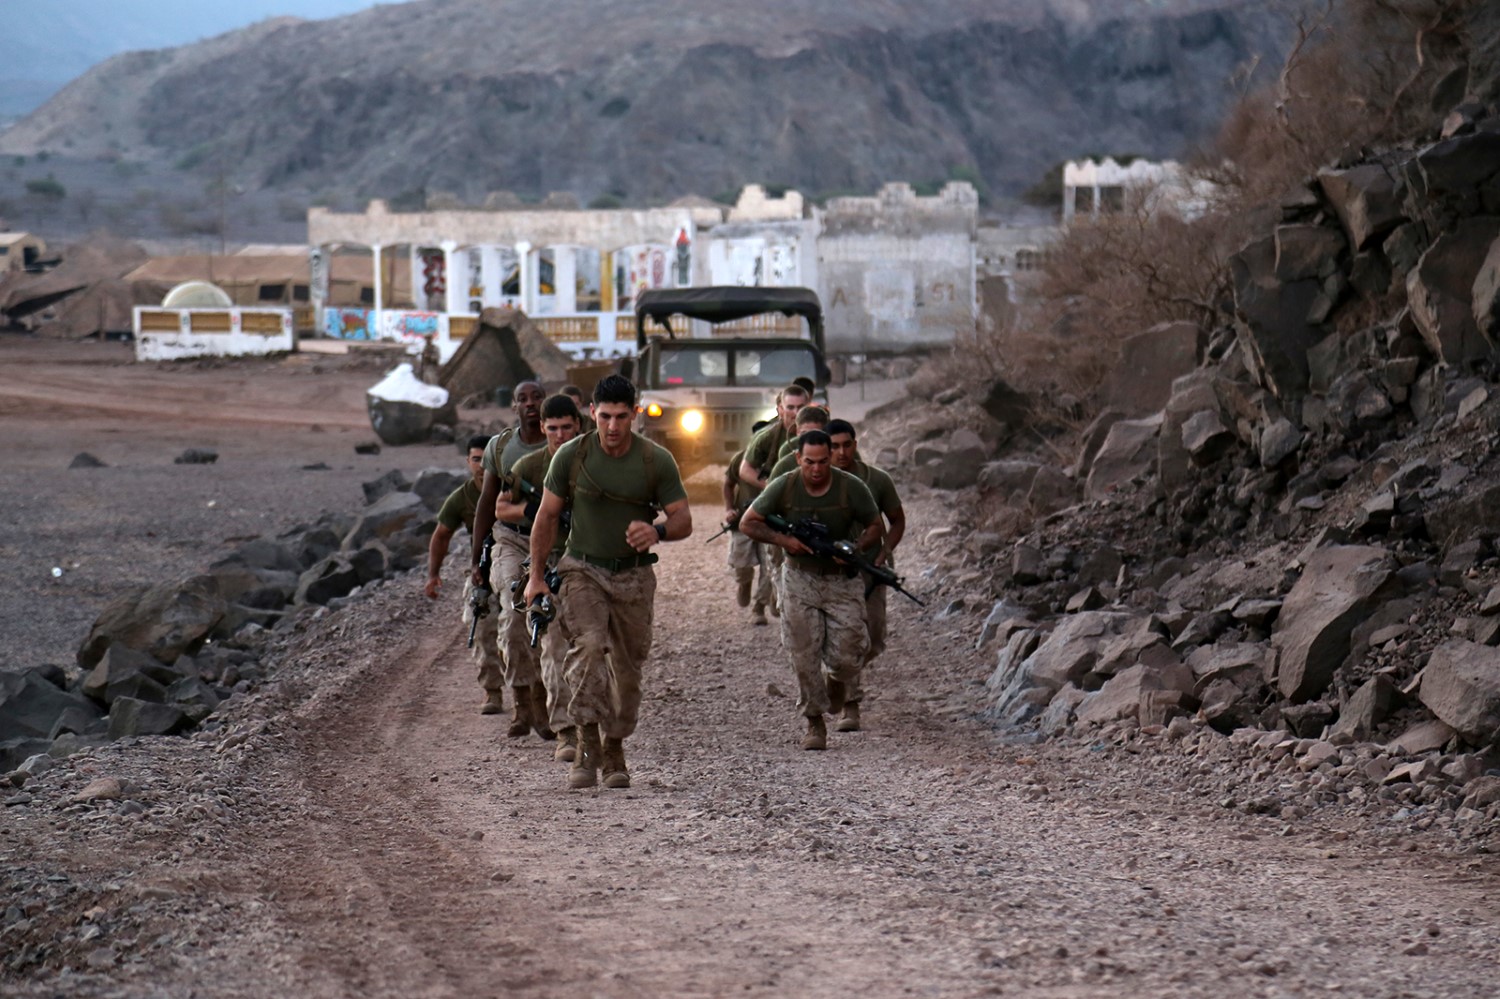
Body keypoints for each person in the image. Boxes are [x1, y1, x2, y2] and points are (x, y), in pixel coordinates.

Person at [525, 374, 692, 790]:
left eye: (621, 417)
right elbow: (545, 517)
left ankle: (614, 744)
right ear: (591, 414)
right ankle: (585, 742)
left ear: (634, 414)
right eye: (604, 417)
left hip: (634, 575)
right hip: (582, 569)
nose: (613, 427)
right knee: (589, 647)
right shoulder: (571, 456)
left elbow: (683, 518)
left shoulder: (655, 460)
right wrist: (534, 579)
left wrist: (658, 532)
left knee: (628, 668)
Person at [740, 429, 883, 751]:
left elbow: (877, 526)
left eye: (822, 462)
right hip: (800, 578)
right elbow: (749, 522)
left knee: (849, 656)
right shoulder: (785, 485)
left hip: (841, 580)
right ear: (797, 459)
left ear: (831, 457)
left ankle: (836, 681)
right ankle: (814, 722)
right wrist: (786, 541)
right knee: (803, 653)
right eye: (809, 462)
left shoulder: (851, 488)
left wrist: (853, 547)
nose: (816, 469)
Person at [495, 394, 583, 763]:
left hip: (570, 551)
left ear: (579, 426)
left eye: (567, 428)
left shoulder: (590, 463)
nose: (560, 435)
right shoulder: (529, 465)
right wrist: (532, 508)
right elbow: (501, 507)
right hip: (519, 543)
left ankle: (576, 717)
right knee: (516, 620)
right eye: (553, 429)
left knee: (566, 638)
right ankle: (528, 700)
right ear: (543, 429)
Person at [471, 380, 551, 740]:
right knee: (514, 617)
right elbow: (486, 505)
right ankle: (523, 704)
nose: (531, 404)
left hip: (556, 542)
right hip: (511, 540)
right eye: (523, 399)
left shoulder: (564, 443)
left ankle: (548, 701)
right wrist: (477, 562)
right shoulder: (501, 446)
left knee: (553, 624)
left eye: (537, 398)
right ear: (514, 407)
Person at [826, 418, 905, 722]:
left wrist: (884, 553)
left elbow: (897, 520)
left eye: (847, 445)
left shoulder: (877, 480)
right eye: (834, 447)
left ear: (855, 445)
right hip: (833, 572)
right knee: (849, 636)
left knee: (874, 637)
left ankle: (836, 677)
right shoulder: (817, 482)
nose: (841, 452)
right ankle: (850, 704)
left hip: (872, 567)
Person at [426, 434, 505, 714]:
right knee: (481, 625)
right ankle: (492, 690)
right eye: (476, 460)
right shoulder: (461, 497)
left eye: (488, 460)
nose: (482, 466)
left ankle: (532, 690)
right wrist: (433, 574)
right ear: (468, 462)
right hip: (482, 567)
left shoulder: (513, 486)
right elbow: (441, 535)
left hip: (518, 563)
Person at [722, 421, 776, 625]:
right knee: (742, 565)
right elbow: (728, 484)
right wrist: (729, 509)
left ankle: (759, 607)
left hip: (770, 523)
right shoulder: (741, 459)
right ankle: (744, 584)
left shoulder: (778, 460)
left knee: (770, 567)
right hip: (742, 521)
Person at [737, 383, 810, 491]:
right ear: (781, 409)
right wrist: (769, 487)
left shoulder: (820, 431)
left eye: (801, 407)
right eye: (790, 407)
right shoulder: (767, 436)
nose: (796, 413)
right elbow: (745, 469)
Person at [765, 405, 832, 480]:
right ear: (797, 432)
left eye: (816, 433)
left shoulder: (835, 451)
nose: (810, 438)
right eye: (804, 434)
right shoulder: (786, 452)